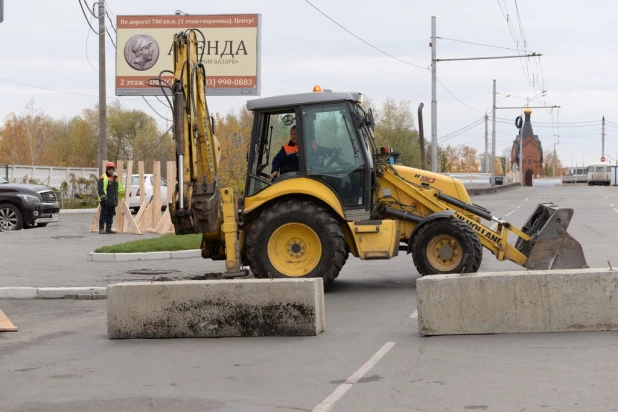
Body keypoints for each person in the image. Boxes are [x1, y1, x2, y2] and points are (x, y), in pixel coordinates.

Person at [97, 162, 125, 234]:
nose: (111, 171)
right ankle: (101, 229)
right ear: (107, 169)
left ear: (113, 170)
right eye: (109, 169)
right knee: (103, 214)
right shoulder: (103, 178)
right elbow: (100, 189)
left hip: (113, 200)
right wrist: (103, 198)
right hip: (105, 200)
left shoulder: (116, 178)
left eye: (112, 169)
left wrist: (125, 193)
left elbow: (119, 189)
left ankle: (108, 228)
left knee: (110, 214)